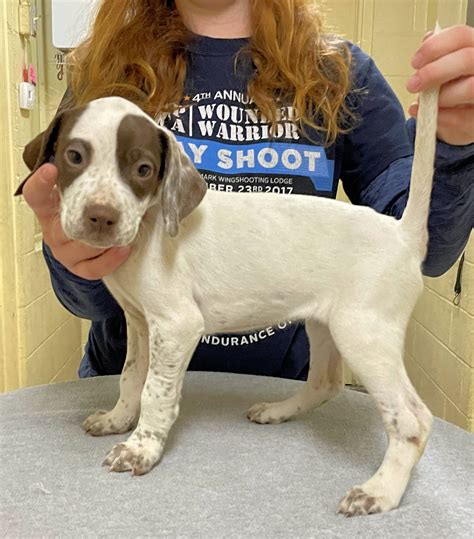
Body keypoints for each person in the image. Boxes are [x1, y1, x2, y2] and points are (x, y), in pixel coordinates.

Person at [22, 0, 473, 379]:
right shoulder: (107, 71)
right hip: (130, 396)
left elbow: (419, 248)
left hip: (274, 405)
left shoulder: (341, 74)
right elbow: (88, 300)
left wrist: (456, 145)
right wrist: (75, 257)